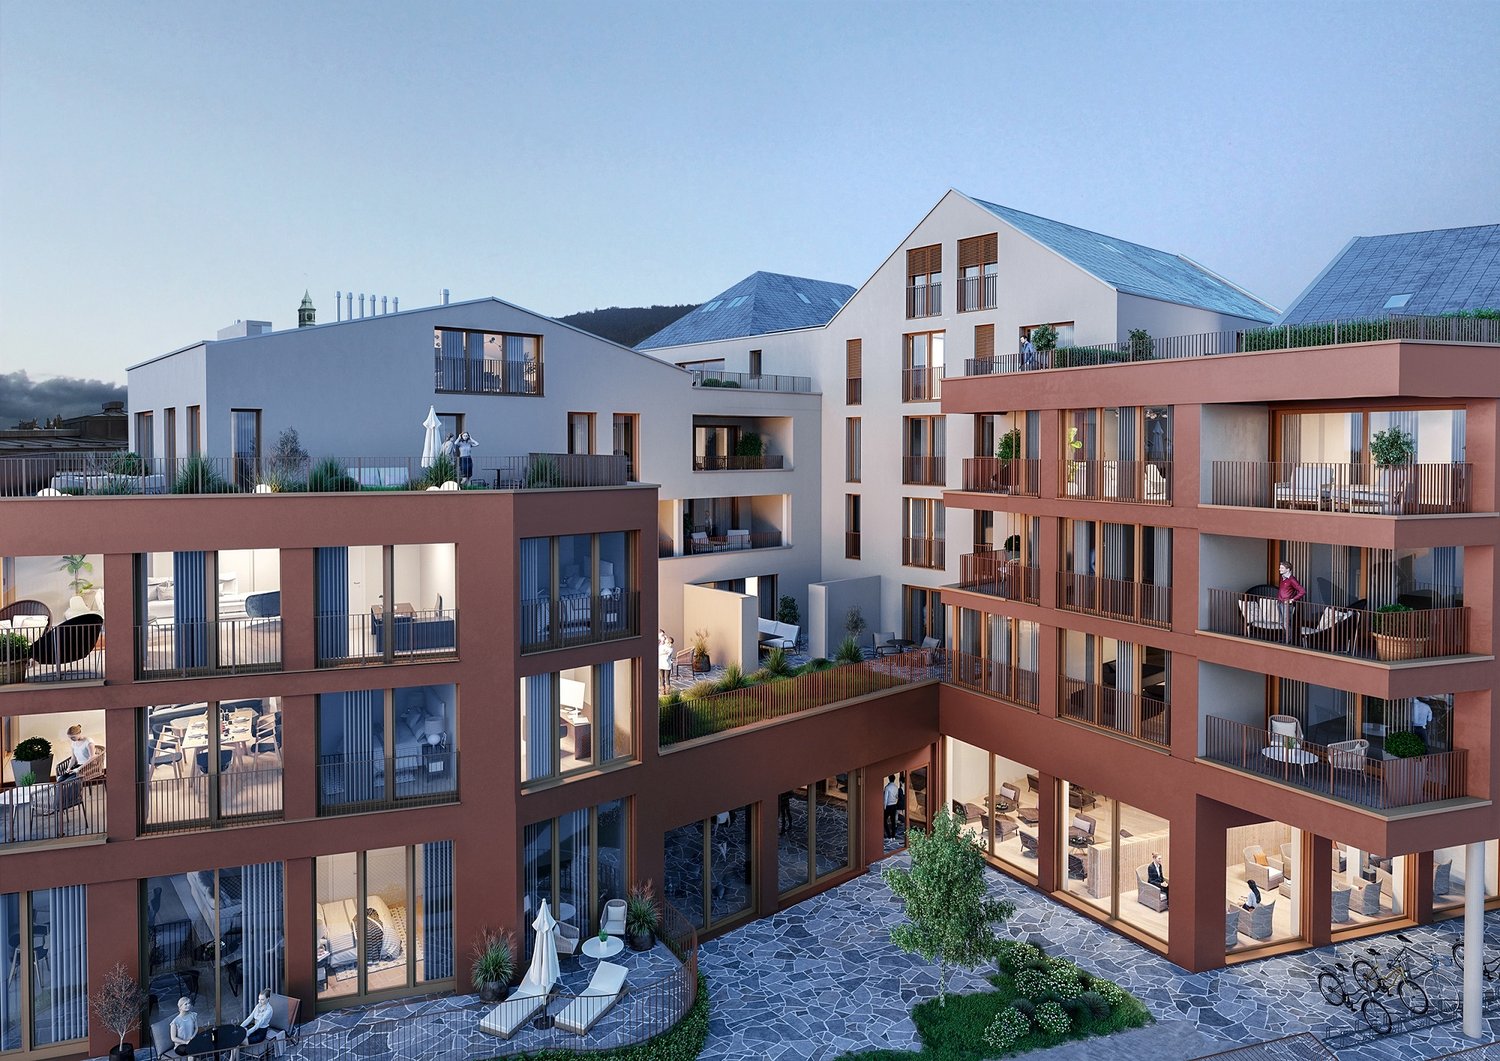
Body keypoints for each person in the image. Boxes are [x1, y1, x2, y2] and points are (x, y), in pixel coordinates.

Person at [1277, 562, 1306, 644]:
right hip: (1280, 602)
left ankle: (1288, 641)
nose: (1279, 569)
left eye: (1282, 568)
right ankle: (1284, 639)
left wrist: (1292, 599)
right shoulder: (1283, 578)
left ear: (1288, 569)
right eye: (1280, 567)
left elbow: (1302, 591)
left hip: (1287, 604)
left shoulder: (1292, 580)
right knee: (1282, 622)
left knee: (1286, 623)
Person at [882, 775, 900, 839]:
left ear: (889, 779)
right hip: (894, 805)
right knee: (893, 821)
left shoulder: (887, 787)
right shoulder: (896, 787)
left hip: (888, 806)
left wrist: (884, 807)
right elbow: (897, 796)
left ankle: (889, 835)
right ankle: (893, 836)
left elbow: (885, 798)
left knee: (884, 820)